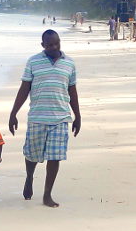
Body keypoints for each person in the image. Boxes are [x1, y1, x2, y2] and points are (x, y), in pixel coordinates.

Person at [8, 30, 81, 207]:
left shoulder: (69, 63)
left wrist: (78, 116)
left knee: (55, 157)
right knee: (32, 155)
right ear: (43, 45)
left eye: (57, 43)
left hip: (61, 117)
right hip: (37, 117)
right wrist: (13, 113)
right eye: (50, 45)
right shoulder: (33, 61)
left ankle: (47, 194)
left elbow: (72, 91)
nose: (54, 47)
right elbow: (24, 89)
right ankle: (29, 177)